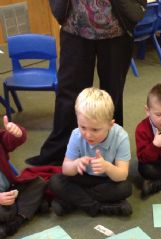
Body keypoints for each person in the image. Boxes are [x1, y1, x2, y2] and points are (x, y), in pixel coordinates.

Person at [26, 0, 146, 166]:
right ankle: (59, 153)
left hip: (117, 30)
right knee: (68, 93)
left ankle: (112, 153)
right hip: (75, 27)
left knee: (112, 96)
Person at [49, 87, 132, 217]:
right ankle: (101, 207)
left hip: (107, 180)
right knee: (55, 181)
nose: (88, 135)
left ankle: (71, 203)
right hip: (84, 177)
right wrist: (76, 164)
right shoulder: (76, 135)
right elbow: (66, 169)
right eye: (83, 127)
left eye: (95, 129)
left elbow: (122, 175)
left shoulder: (121, 137)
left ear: (110, 125)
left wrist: (107, 167)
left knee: (125, 188)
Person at [0, 116, 47, 239]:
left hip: (10, 189)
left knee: (39, 183)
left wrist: (17, 133)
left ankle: (16, 221)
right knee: (4, 213)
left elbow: (9, 140)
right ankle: (27, 210)